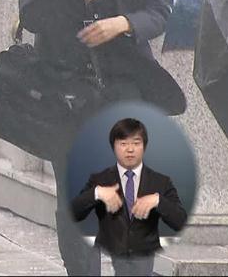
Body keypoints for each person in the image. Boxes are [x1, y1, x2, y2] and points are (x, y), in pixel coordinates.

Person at [19, 0, 183, 276]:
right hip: (66, 90)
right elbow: (32, 15)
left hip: (126, 89)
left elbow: (160, 11)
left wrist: (123, 23)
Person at [72, 118, 187, 276]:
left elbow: (180, 220)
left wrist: (158, 201)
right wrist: (97, 193)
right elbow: (75, 211)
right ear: (114, 147)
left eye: (136, 143)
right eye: (123, 144)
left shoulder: (160, 182)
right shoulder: (101, 179)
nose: (130, 149)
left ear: (144, 146)